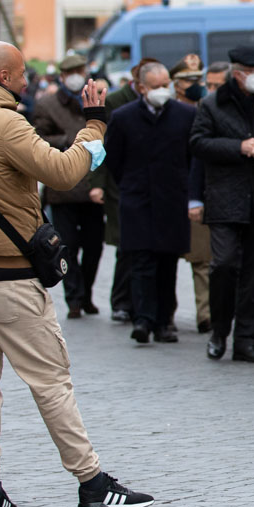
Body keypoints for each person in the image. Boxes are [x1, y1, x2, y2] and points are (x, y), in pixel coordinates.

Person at [0, 40, 154, 507]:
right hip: (6, 277)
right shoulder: (4, 123)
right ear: (4, 77)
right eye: (24, 73)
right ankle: (92, 483)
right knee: (50, 380)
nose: (29, 81)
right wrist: (95, 124)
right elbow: (65, 171)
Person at [190, 47, 254, 364]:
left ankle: (246, 338)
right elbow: (198, 143)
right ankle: (219, 331)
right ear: (239, 73)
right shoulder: (212, 104)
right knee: (225, 264)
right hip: (226, 198)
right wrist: (239, 147)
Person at [104, 61, 194, 345]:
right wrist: (131, 185)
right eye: (156, 86)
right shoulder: (123, 117)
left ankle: (165, 321)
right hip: (138, 199)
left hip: (172, 199)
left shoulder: (185, 114)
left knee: (167, 263)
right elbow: (113, 159)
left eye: (165, 84)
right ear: (141, 88)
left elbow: (192, 158)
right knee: (141, 262)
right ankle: (143, 318)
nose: (162, 91)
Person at [32, 55, 107, 319]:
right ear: (62, 76)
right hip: (63, 188)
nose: (76, 75)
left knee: (95, 245)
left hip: (93, 186)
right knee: (68, 246)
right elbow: (38, 139)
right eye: (71, 71)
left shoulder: (98, 98)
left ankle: (86, 293)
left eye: (80, 70)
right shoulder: (47, 104)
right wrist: (68, 139)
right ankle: (74, 297)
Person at [102, 62, 149, 323]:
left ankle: (142, 303)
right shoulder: (116, 102)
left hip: (150, 186)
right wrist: (100, 184)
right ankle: (121, 301)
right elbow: (107, 147)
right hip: (123, 185)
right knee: (125, 245)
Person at [180, 60, 219, 334]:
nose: (210, 90)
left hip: (235, 194)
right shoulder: (203, 110)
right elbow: (196, 159)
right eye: (210, 85)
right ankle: (206, 314)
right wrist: (194, 198)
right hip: (204, 192)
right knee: (203, 259)